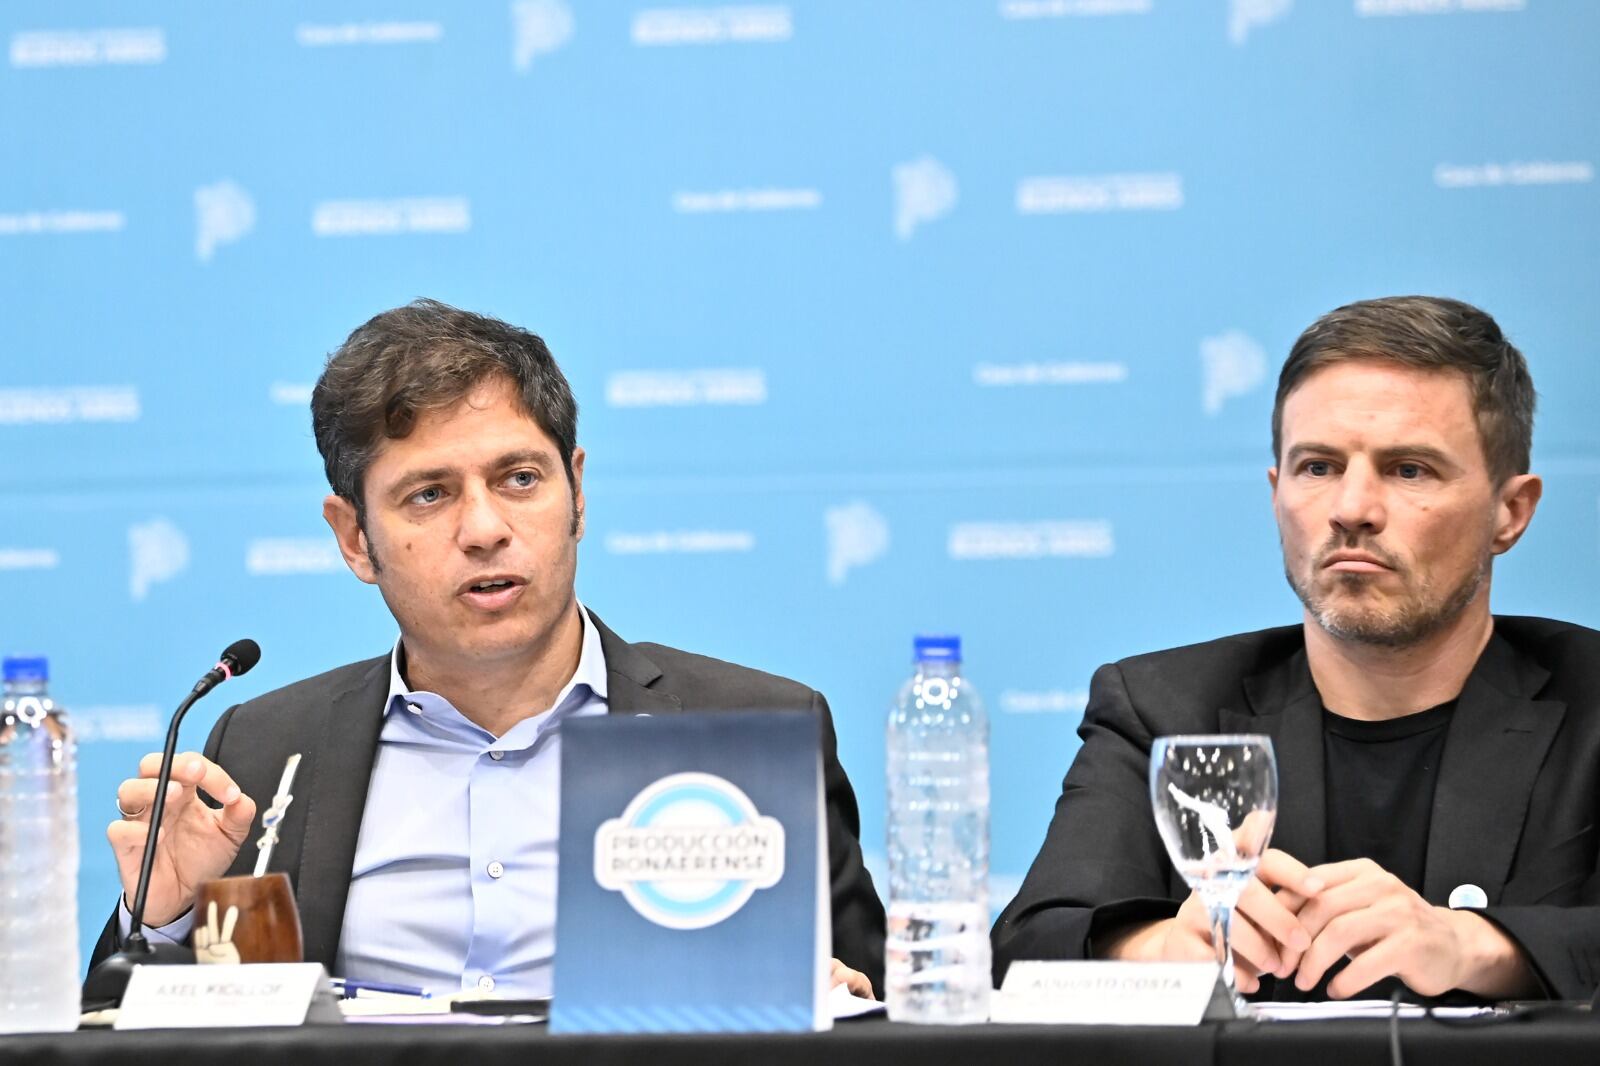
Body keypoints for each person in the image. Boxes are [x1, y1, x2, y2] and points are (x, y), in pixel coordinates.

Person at [92, 299, 884, 998]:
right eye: (429, 494)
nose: (484, 529)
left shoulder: (752, 725)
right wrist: (162, 922)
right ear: (354, 539)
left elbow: (877, 1013)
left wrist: (844, 1002)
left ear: (576, 492)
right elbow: (129, 1032)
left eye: (519, 478)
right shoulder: (264, 751)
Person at [993, 295, 1600, 1002]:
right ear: (1276, 492)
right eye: (1318, 467)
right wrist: (1162, 949)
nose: (1353, 508)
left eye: (1409, 469)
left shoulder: (1589, 705)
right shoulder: (1164, 706)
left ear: (1510, 511)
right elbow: (1023, 953)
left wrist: (1480, 946)